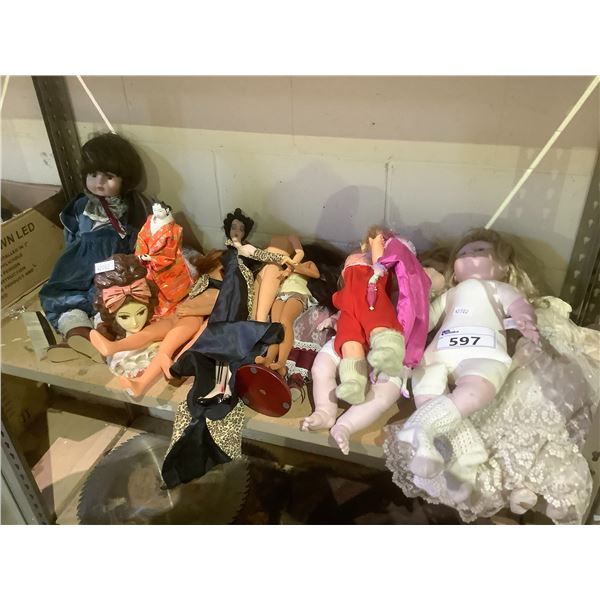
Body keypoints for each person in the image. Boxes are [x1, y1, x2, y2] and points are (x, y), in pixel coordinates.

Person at [386, 228, 540, 500]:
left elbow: (519, 306)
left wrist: (525, 318)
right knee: (425, 382)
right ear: (454, 274)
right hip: (439, 351)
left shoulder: (500, 289)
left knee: (475, 389)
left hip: (482, 350)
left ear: (504, 267)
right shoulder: (450, 295)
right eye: (463, 253)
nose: (469, 255)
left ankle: (423, 429)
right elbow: (426, 321)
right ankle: (465, 451)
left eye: (480, 251)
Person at [42, 132, 150, 363]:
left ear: (125, 179)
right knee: (64, 297)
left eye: (109, 177)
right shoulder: (81, 205)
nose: (99, 182)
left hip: (112, 268)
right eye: (93, 175)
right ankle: (77, 334)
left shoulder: (131, 207)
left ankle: (103, 335)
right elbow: (71, 234)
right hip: (78, 267)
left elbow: (139, 242)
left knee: (112, 299)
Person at [135, 201, 193, 318]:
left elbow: (170, 252)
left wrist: (152, 258)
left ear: (167, 211)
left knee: (171, 292)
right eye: (154, 210)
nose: (156, 213)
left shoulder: (175, 230)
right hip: (147, 262)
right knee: (150, 287)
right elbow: (141, 237)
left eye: (160, 211)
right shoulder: (150, 220)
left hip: (167, 265)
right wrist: (141, 254)